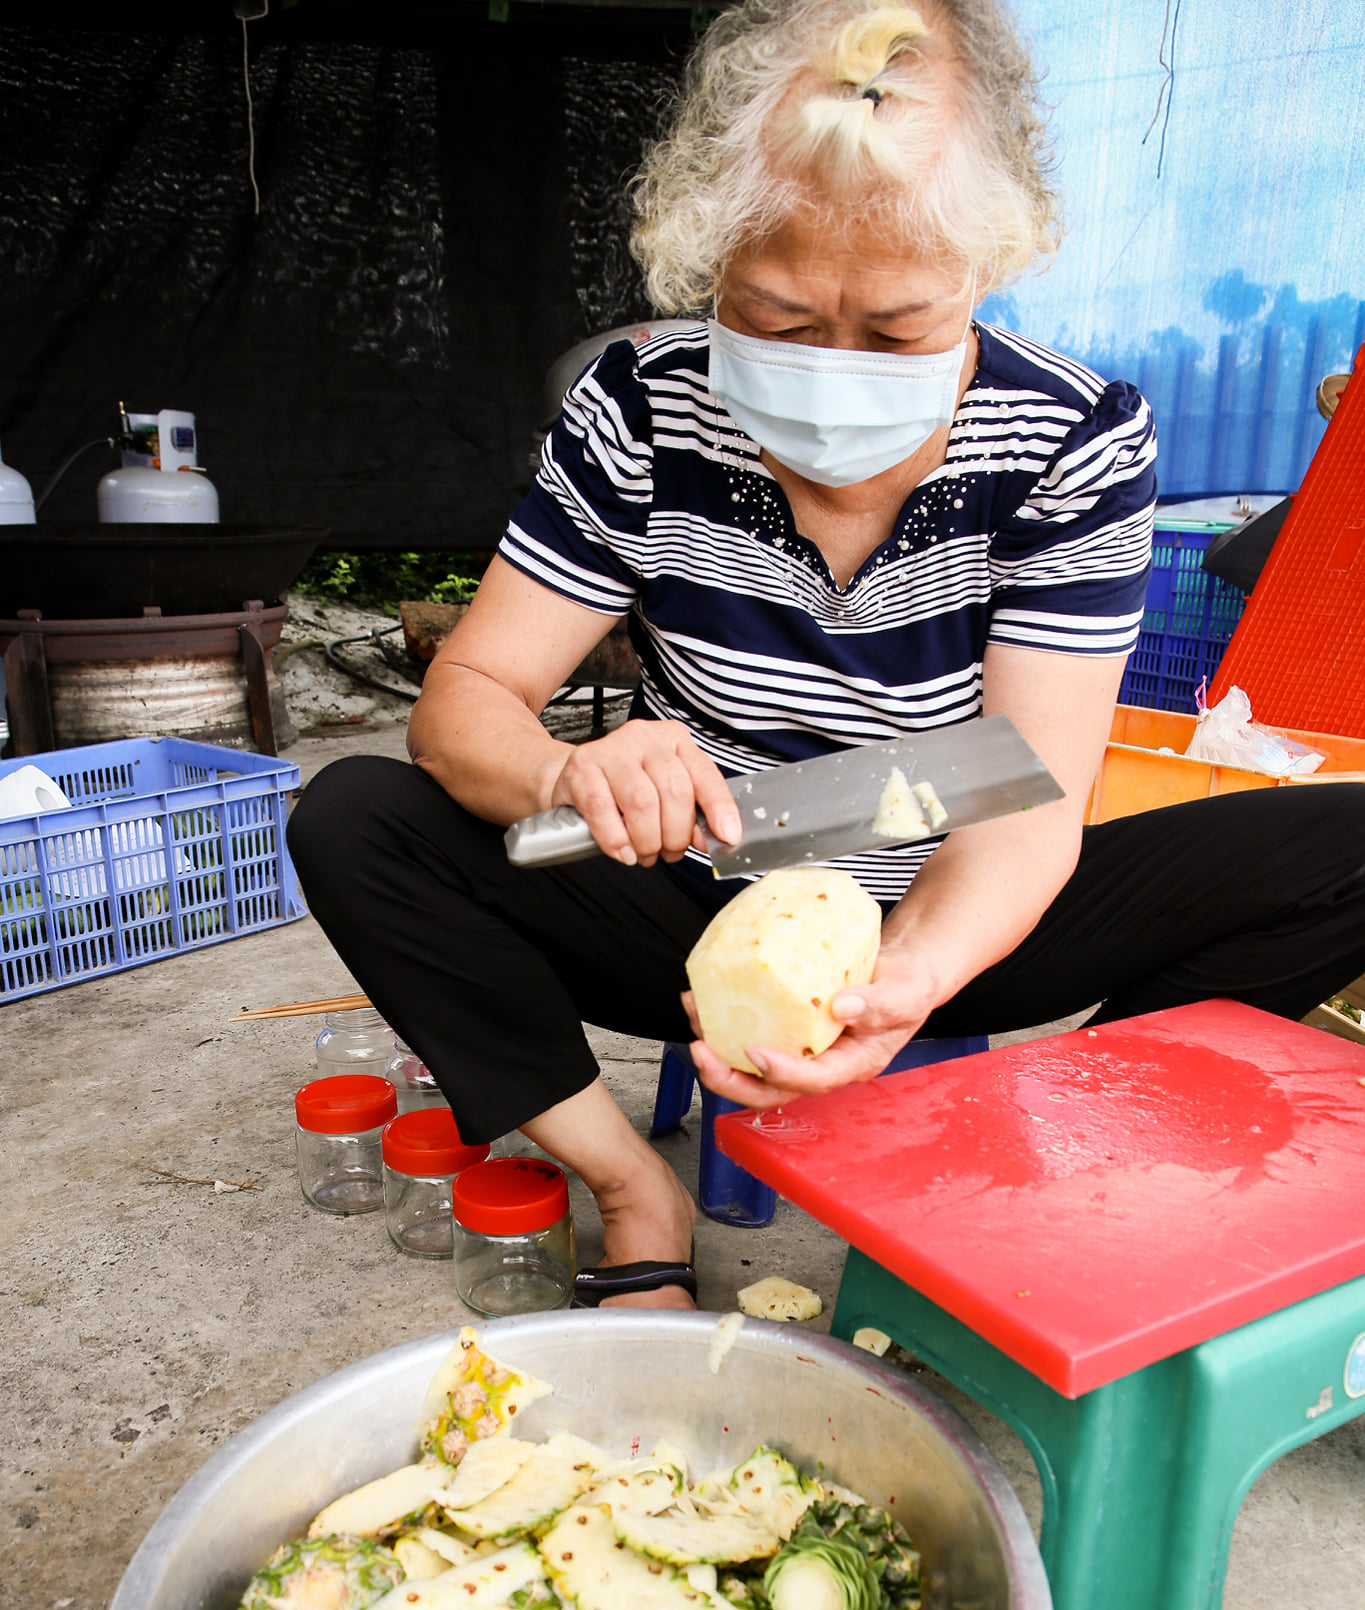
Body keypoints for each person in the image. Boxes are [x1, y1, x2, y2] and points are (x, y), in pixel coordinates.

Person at [289, 0, 1365, 1312]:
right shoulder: (639, 412)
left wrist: (903, 978)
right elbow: (463, 705)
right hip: (696, 899)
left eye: (899, 328)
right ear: (709, 261)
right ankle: (632, 1183)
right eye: (778, 316)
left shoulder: (1071, 440)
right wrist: (567, 778)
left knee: (1346, 850)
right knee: (357, 817)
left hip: (956, 899)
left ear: (987, 265)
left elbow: (1025, 809)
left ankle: (1050, 1160)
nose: (832, 369)